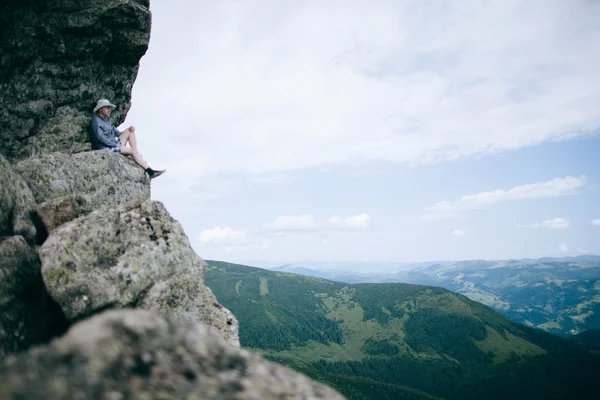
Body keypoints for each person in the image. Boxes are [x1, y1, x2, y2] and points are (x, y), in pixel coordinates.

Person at [89, 99, 165, 179]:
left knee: (130, 131)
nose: (109, 110)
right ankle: (150, 172)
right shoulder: (96, 121)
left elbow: (118, 133)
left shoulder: (107, 121)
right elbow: (99, 137)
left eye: (110, 108)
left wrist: (129, 129)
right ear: (100, 109)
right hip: (105, 147)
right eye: (107, 108)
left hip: (113, 143)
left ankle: (135, 153)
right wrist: (114, 144)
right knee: (132, 151)